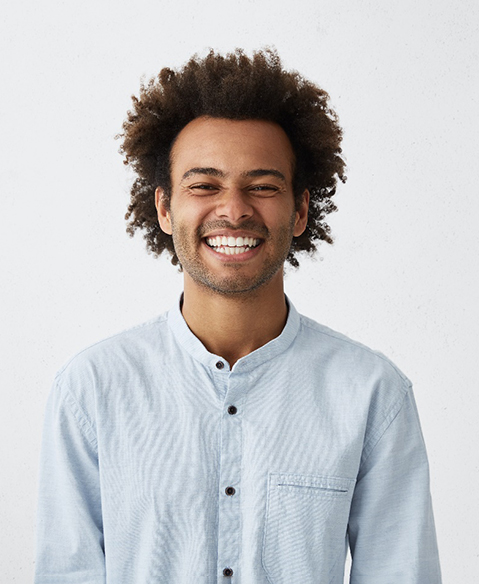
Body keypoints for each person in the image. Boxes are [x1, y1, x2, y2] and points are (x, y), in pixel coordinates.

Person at [34, 49, 442, 583]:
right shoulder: (91, 389)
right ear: (163, 208)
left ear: (299, 211)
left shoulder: (372, 394)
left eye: (263, 186)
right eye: (204, 185)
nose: (234, 209)